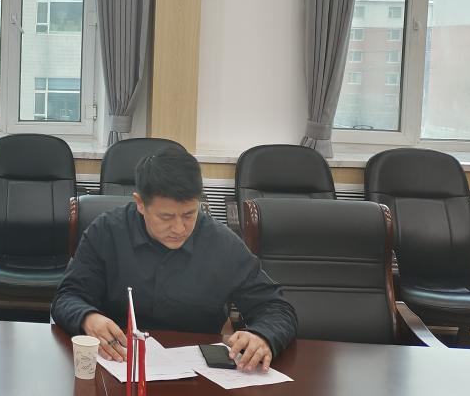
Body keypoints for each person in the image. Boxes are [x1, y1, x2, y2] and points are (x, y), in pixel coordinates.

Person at [51, 147, 297, 371]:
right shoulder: (106, 232)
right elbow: (67, 296)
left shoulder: (222, 243)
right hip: (118, 365)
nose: (179, 228)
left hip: (197, 374)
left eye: (189, 214)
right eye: (166, 217)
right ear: (140, 203)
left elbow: (276, 308)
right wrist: (88, 317)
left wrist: (262, 335)